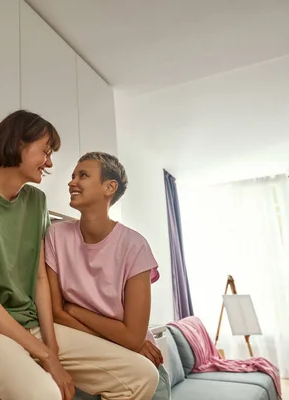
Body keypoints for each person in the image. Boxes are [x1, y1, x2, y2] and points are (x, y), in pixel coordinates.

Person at [0, 111, 159, 400]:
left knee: (142, 376)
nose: (50, 162)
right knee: (45, 394)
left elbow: (41, 280)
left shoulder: (37, 202)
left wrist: (52, 348)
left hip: (29, 326)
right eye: (45, 151)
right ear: (20, 144)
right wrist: (44, 354)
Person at [45, 151, 171, 400]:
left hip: (140, 369)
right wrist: (123, 341)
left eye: (83, 175)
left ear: (109, 187)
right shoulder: (56, 236)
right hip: (92, 365)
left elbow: (135, 337)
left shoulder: (135, 246)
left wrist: (76, 310)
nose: (72, 182)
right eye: (72, 176)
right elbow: (55, 313)